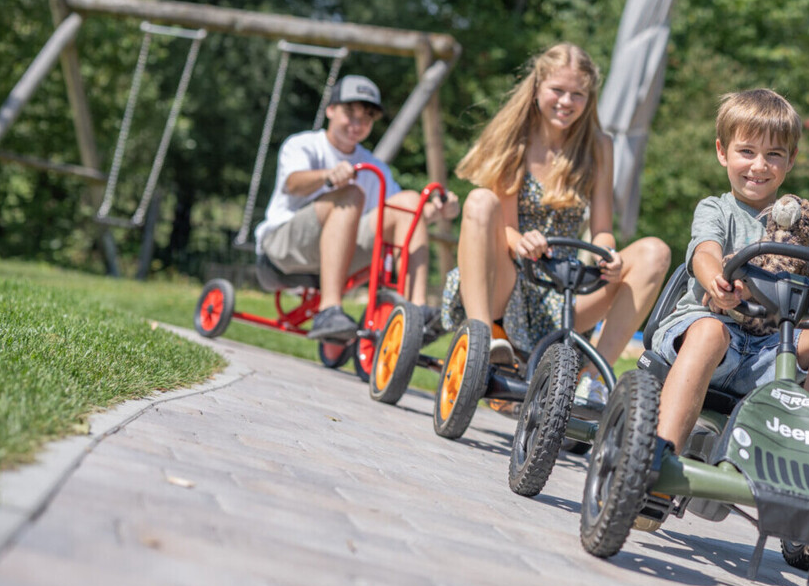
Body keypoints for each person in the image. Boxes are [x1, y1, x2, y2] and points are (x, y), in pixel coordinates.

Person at [644, 88, 809, 529]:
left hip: (773, 350)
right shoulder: (717, 208)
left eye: (773, 155)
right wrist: (716, 277)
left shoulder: (803, 222)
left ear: (790, 161)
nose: (758, 165)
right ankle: (658, 465)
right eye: (746, 151)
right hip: (710, 331)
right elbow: (704, 251)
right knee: (712, 332)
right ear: (722, 152)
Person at [444, 42, 670, 401]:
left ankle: (591, 380)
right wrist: (521, 242)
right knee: (480, 200)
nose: (566, 102)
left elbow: (602, 228)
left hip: (561, 289)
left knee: (654, 252)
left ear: (589, 98)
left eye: (577, 94)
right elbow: (501, 227)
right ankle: (482, 338)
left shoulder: (598, 146)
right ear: (537, 89)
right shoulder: (515, 138)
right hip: (510, 278)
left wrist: (606, 253)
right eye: (558, 91)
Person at [254, 75, 459, 341]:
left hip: (341, 251)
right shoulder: (303, 144)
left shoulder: (375, 167)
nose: (357, 123)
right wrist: (328, 176)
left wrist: (440, 211)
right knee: (350, 194)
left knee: (409, 201)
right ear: (330, 110)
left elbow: (405, 219)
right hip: (284, 248)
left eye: (367, 117)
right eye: (349, 112)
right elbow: (292, 183)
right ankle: (329, 309)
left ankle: (415, 311)